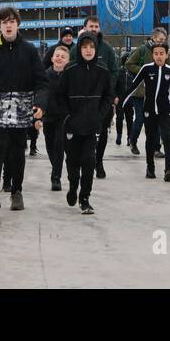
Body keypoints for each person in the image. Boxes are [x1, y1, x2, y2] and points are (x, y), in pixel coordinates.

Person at [0, 8, 49, 218]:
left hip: (21, 109)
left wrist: (40, 105)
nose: (8, 26)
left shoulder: (29, 50)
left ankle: (17, 191)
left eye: (12, 22)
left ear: (18, 25)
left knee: (18, 152)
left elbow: (42, 82)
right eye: (4, 22)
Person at [57, 30, 114, 214]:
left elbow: (108, 95)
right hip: (72, 126)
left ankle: (85, 198)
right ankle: (73, 186)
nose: (88, 50)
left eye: (91, 47)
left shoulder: (103, 71)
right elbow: (60, 96)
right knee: (73, 162)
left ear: (96, 49)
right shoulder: (70, 70)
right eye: (84, 47)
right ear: (79, 49)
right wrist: (68, 115)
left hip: (92, 126)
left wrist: (100, 114)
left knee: (89, 162)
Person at [70, 16, 120, 179]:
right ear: (84, 27)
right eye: (91, 26)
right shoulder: (75, 49)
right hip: (80, 99)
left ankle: (99, 162)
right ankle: (82, 163)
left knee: (102, 131)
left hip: (101, 99)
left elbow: (114, 71)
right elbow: (69, 70)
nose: (94, 29)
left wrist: (109, 92)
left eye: (96, 26)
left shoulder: (107, 49)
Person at [122, 40, 170, 181]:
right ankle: (150, 168)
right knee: (151, 139)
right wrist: (121, 102)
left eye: (161, 54)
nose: (159, 56)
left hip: (165, 111)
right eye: (156, 54)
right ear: (153, 55)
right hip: (149, 111)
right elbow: (134, 86)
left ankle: (168, 169)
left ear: (166, 55)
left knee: (167, 137)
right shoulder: (147, 69)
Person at [123, 27, 169, 154]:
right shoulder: (143, 49)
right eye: (160, 39)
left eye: (164, 40)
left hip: (157, 92)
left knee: (157, 120)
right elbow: (129, 64)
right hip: (141, 92)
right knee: (140, 119)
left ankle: (156, 148)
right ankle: (133, 141)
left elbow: (168, 67)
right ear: (153, 38)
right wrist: (145, 72)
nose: (162, 42)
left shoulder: (164, 52)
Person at [42, 44, 71, 191]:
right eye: (57, 56)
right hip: (48, 116)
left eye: (63, 57)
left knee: (59, 144)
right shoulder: (45, 75)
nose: (59, 58)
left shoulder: (70, 76)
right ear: (52, 58)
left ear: (68, 61)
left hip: (64, 116)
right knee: (49, 146)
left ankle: (56, 177)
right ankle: (56, 167)